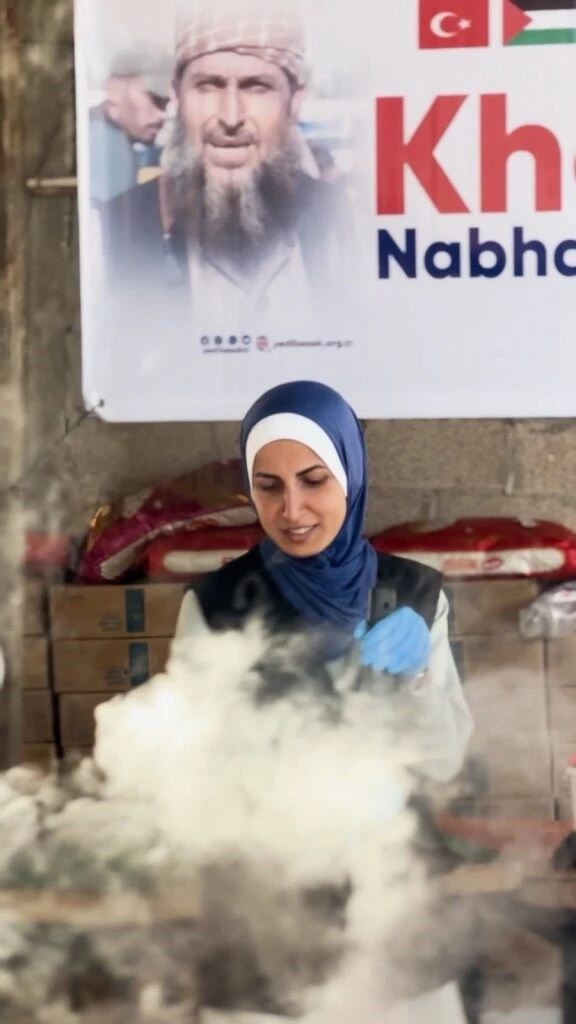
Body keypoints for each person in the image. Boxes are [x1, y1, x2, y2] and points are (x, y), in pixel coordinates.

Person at [175, 380, 473, 784]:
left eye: (313, 480)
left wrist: (417, 682)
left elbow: (444, 764)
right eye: (269, 486)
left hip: (391, 824)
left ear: (350, 476)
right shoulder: (214, 603)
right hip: (262, 823)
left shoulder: (415, 594)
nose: (292, 510)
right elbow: (186, 765)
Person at [98, 0, 355, 340]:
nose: (230, 117)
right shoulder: (116, 230)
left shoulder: (342, 221)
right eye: (208, 85)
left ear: (294, 102)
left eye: (257, 86)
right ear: (178, 96)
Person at [89, 46, 170, 204]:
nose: (163, 115)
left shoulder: (104, 136)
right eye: (155, 98)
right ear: (114, 90)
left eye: (165, 103)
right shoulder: (104, 145)